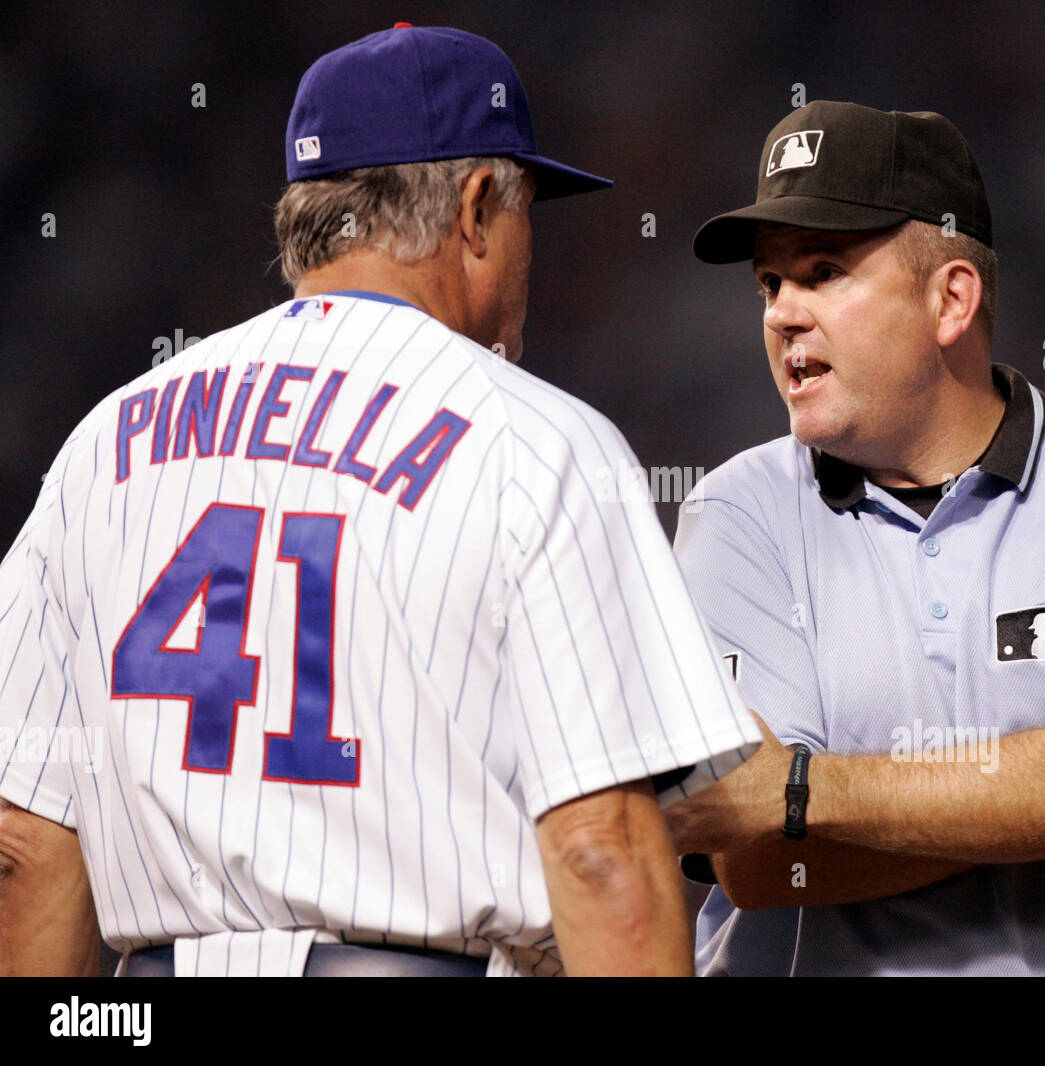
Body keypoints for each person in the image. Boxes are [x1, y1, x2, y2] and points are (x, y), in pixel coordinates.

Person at [0, 24, 758, 978]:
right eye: (528, 206)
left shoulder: (101, 444)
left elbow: (26, 848)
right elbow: (600, 847)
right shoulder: (541, 444)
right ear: (478, 207)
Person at [666, 101, 1045, 976]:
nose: (783, 313)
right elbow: (759, 859)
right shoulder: (734, 513)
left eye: (823, 270)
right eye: (769, 283)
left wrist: (797, 789)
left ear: (952, 298)